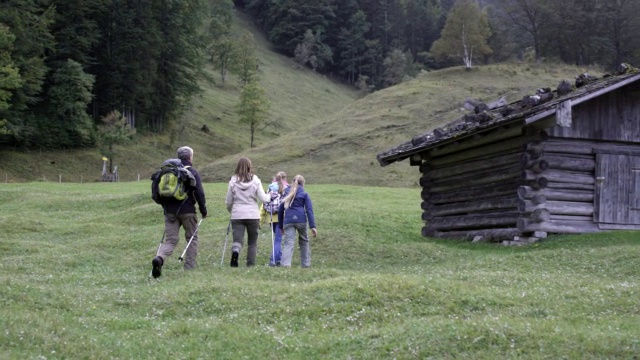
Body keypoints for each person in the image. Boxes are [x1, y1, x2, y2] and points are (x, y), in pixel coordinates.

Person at [151, 146, 207, 278]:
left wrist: (165, 205)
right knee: (191, 238)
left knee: (171, 240)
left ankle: (160, 258)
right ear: (190, 157)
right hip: (188, 211)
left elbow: (155, 194)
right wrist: (203, 210)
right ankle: (189, 267)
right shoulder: (192, 171)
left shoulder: (167, 172)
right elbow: (199, 192)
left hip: (170, 211)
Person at [225, 157, 271, 267]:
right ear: (250, 166)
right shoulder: (255, 180)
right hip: (252, 214)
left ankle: (235, 252)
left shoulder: (233, 181)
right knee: (252, 242)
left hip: (237, 214)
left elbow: (228, 201)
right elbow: (263, 199)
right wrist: (270, 196)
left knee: (237, 240)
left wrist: (231, 210)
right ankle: (250, 264)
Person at [278, 175, 317, 268]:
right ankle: (305, 264)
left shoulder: (286, 193)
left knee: (288, 242)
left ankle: (285, 265)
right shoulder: (304, 194)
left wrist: (280, 226)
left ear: (292, 182)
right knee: (304, 241)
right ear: (303, 183)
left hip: (288, 221)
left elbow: (280, 210)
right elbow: (309, 210)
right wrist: (313, 226)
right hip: (301, 220)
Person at [265, 172, 288, 266]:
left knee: (277, 238)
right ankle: (273, 260)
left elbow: (265, 202)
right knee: (278, 239)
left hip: (271, 217)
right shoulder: (286, 188)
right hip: (281, 217)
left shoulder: (270, 188)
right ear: (285, 178)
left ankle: (278, 258)